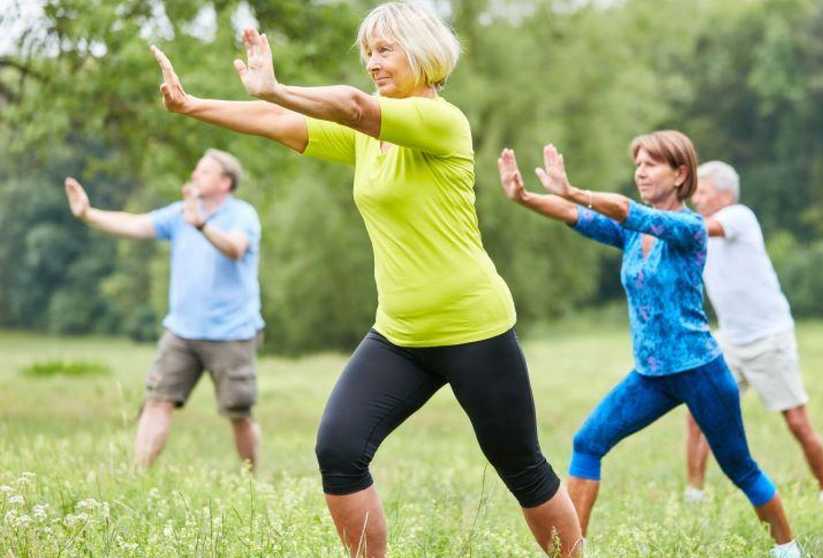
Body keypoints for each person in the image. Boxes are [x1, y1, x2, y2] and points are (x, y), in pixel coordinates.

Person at [150, 2, 582, 557]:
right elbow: (286, 125)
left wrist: (276, 86)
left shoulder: (441, 121)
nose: (373, 64)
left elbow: (352, 106)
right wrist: (193, 106)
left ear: (423, 54)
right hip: (400, 334)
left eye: (385, 50)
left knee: (519, 464)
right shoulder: (365, 136)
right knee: (339, 449)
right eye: (368, 54)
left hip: (473, 327)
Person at [497, 137, 802, 558]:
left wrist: (573, 189)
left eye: (652, 164)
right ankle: (571, 554)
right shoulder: (629, 235)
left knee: (739, 467)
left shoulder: (690, 229)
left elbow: (623, 209)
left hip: (700, 371)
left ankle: (789, 549)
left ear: (680, 175)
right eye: (638, 163)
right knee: (587, 443)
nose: (640, 170)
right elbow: (576, 215)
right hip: (650, 376)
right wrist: (525, 196)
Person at [63, 149, 264, 470]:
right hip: (181, 332)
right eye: (197, 170)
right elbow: (135, 224)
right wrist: (88, 214)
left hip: (232, 333)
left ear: (226, 182)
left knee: (239, 413)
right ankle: (139, 474)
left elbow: (234, 248)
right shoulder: (180, 214)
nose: (196, 174)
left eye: (205, 171)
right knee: (158, 400)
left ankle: (251, 482)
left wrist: (202, 225)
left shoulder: (242, 215)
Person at [685, 160, 823, 504]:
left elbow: (698, 229)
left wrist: (659, 219)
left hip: (769, 338)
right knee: (698, 413)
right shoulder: (699, 230)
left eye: (702, 192)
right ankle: (694, 493)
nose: (696, 199)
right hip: (730, 340)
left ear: (724, 194)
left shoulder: (739, 216)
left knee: (796, 422)